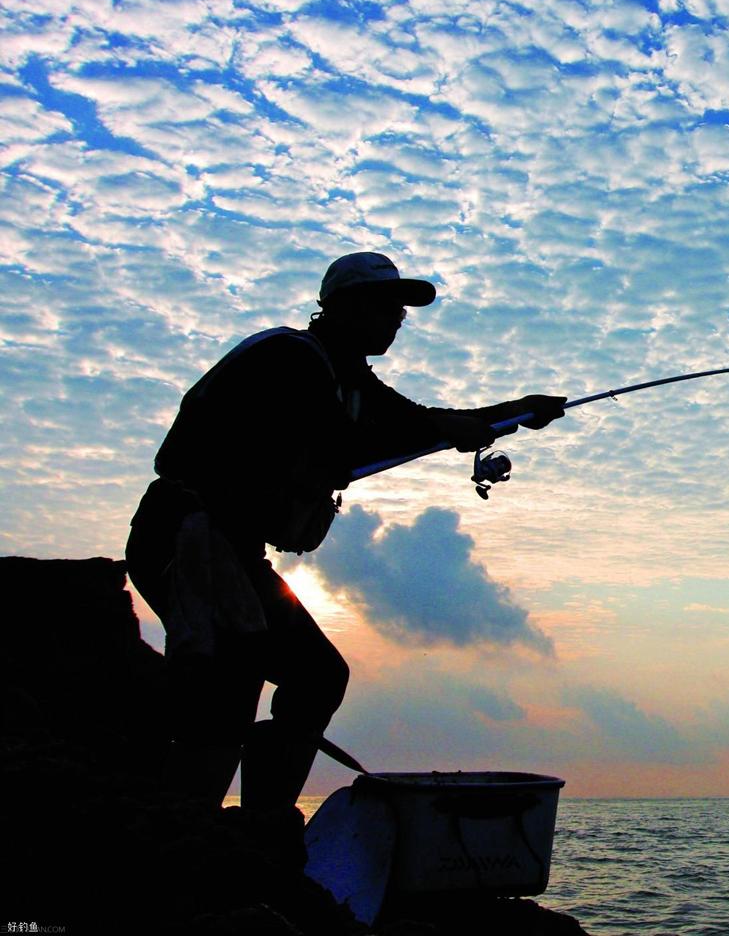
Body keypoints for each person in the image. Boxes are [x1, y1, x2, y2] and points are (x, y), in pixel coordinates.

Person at [125, 252, 565, 816]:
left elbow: (415, 422)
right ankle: (184, 830)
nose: (398, 319)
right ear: (344, 306)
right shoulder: (287, 357)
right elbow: (343, 445)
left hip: (232, 548)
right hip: (188, 535)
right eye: (388, 306)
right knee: (229, 683)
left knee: (316, 676)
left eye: (401, 310)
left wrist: (517, 412)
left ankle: (263, 822)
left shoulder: (346, 376)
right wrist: (446, 429)